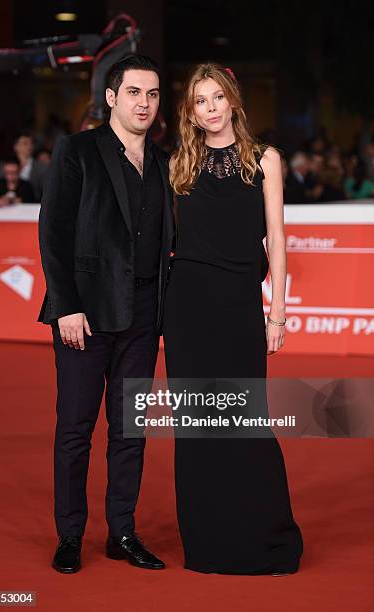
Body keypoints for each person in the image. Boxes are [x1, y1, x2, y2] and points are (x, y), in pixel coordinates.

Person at [163, 62, 303, 575]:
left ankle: (261, 535)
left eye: (218, 97)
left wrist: (278, 314)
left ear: (233, 101)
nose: (211, 108)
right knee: (197, 424)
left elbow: (277, 238)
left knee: (244, 419)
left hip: (240, 305)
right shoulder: (179, 162)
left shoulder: (265, 160)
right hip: (187, 308)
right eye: (201, 101)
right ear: (193, 113)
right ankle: (207, 542)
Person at [38, 54, 174, 574]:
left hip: (143, 314)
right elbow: (53, 233)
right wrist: (66, 305)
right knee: (75, 428)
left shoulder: (164, 162)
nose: (144, 103)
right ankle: (70, 533)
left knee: (130, 430)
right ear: (112, 97)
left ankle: (122, 532)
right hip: (85, 314)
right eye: (135, 92)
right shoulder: (77, 150)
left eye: (153, 94)